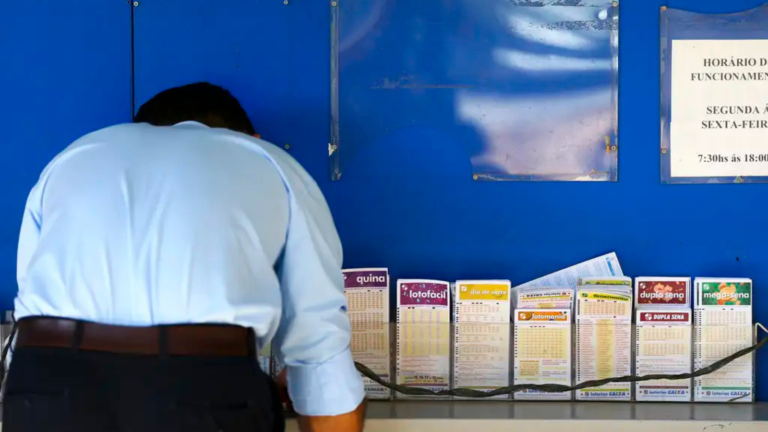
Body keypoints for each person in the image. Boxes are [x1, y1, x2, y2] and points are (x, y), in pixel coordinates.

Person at [6, 82, 366, 432]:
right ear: (250, 139)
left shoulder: (73, 157)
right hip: (202, 390)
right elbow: (319, 351)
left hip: (45, 385)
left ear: (142, 133)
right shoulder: (268, 160)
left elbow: (30, 302)